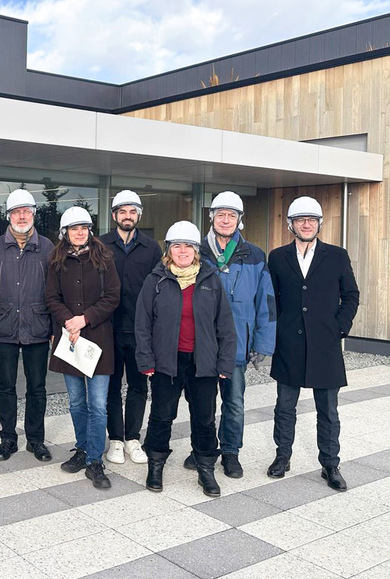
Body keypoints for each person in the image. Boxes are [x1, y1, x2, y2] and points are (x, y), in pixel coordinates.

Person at [136, 221, 235, 498]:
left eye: (188, 246)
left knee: (204, 419)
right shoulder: (156, 280)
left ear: (196, 251)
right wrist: (145, 359)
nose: (182, 251)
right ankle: (155, 465)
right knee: (161, 416)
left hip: (203, 364)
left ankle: (206, 469)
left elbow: (225, 326)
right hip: (166, 363)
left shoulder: (211, 280)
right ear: (169, 250)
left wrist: (224, 363)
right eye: (177, 246)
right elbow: (142, 323)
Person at [181, 191, 275, 478]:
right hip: (203, 343)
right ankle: (204, 448)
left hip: (236, 345)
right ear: (211, 217)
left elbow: (266, 303)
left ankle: (231, 452)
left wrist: (262, 343)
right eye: (220, 214)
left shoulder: (255, 255)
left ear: (239, 220)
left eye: (231, 215)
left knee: (234, 402)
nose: (225, 220)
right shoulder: (198, 253)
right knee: (202, 402)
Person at [268, 196, 359, 491]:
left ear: (319, 224)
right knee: (284, 406)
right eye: (300, 220)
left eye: (311, 220)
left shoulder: (337, 255)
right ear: (291, 225)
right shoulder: (278, 257)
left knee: (328, 410)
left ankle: (330, 464)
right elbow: (273, 299)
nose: (306, 224)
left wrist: (339, 327)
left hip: (325, 343)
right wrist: (277, 330)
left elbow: (351, 295)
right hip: (289, 344)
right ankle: (283, 456)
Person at [46, 207, 120, 489]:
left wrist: (84, 318)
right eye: (74, 228)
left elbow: (113, 296)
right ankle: (82, 449)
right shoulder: (55, 261)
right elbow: (50, 297)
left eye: (84, 227)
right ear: (65, 232)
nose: (80, 232)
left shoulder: (104, 259)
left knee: (98, 404)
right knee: (77, 401)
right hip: (70, 339)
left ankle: (94, 460)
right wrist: (69, 322)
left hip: (97, 340)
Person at [0, 189, 54, 463]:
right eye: (16, 212)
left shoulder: (48, 248)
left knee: (37, 387)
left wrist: (54, 328)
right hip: (4, 326)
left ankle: (35, 440)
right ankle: (8, 439)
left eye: (26, 211)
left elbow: (55, 292)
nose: (21, 216)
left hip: (38, 326)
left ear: (33, 214)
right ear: (8, 216)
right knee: (6, 385)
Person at [99, 190, 162, 466]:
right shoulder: (100, 245)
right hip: (107, 329)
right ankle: (114, 439)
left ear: (138, 215)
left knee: (138, 386)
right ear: (114, 215)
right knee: (111, 387)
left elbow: (160, 290)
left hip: (140, 331)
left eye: (132, 211)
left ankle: (132, 438)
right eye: (122, 211)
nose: (127, 216)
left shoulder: (151, 248)